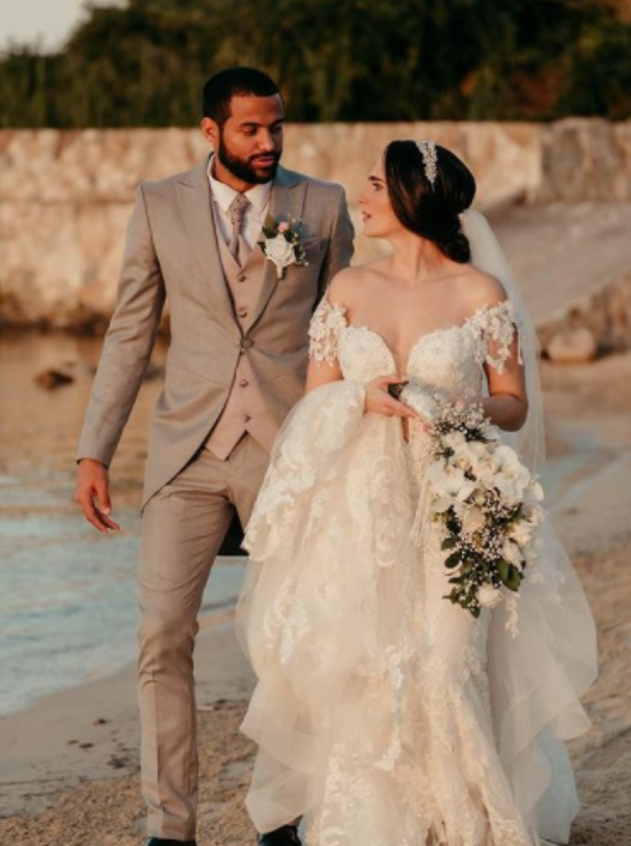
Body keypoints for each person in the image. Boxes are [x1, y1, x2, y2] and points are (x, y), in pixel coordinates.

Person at [235, 140, 598, 846]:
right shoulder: (347, 289)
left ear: (411, 196)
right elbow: (313, 403)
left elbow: (513, 406)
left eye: (375, 185)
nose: (362, 198)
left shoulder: (479, 294)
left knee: (446, 663)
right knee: (372, 667)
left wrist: (448, 404)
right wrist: (359, 398)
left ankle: (469, 823)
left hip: (455, 500)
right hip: (363, 506)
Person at [73, 66, 355, 846]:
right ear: (211, 131)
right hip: (187, 451)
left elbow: (345, 330)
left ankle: (282, 818)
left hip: (289, 450)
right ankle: (170, 828)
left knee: (289, 640)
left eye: (276, 127)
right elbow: (130, 332)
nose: (268, 142)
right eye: (250, 129)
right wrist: (93, 452)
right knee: (162, 635)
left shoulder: (322, 205)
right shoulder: (157, 204)